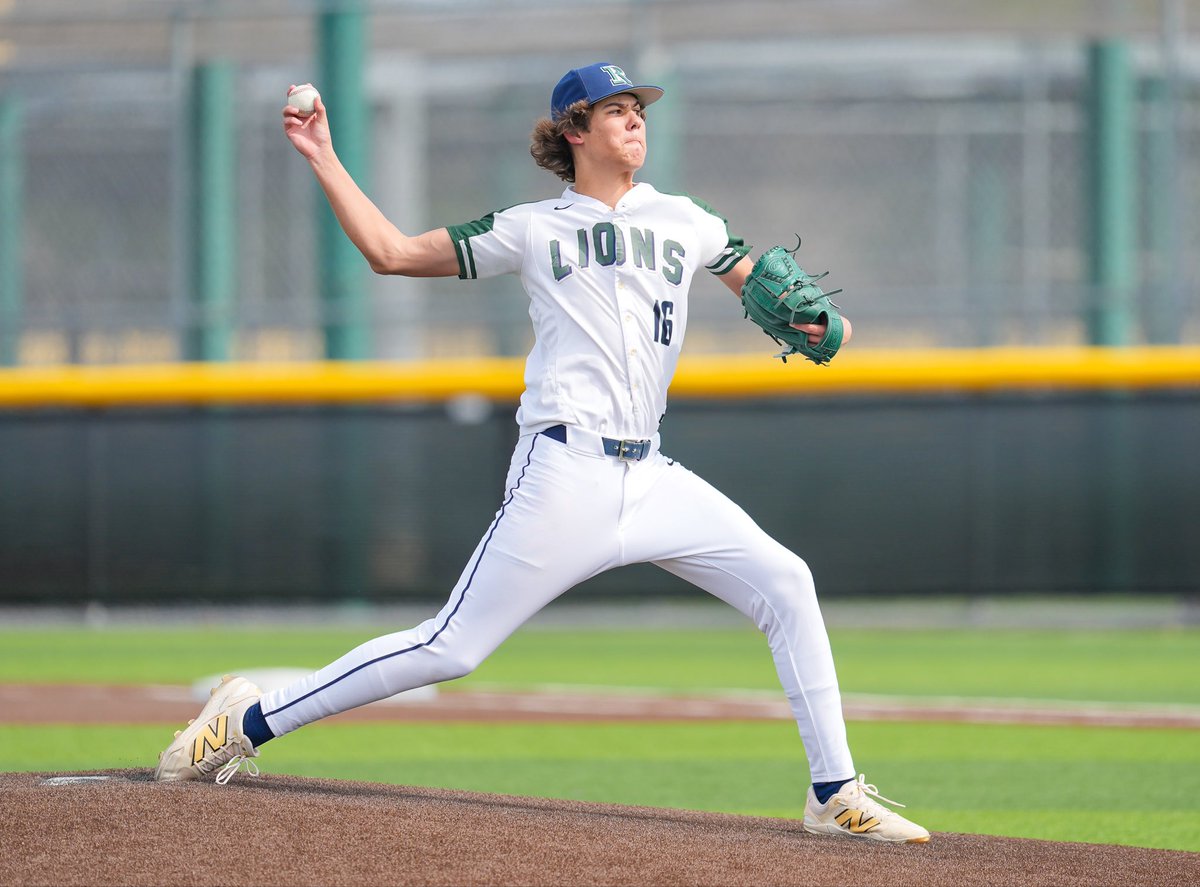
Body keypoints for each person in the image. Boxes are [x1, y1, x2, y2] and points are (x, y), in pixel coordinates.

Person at [155, 62, 930, 844]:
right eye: (616, 109)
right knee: (451, 647)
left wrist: (821, 325)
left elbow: (779, 296)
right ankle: (244, 721)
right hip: (565, 471)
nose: (636, 119)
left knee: (787, 583)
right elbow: (391, 252)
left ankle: (834, 793)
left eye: (639, 108)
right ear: (574, 130)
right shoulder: (530, 228)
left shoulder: (687, 219)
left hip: (652, 475)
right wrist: (323, 154)